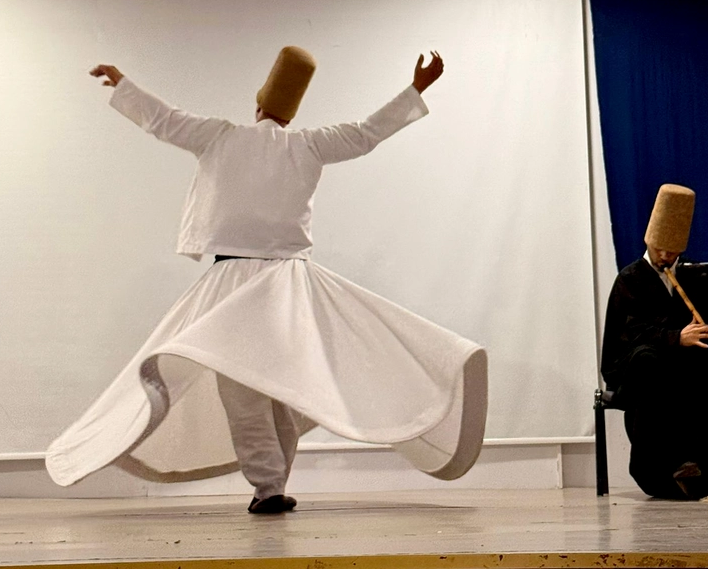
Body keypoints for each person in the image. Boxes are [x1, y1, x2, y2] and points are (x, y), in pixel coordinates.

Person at [46, 47, 488, 514]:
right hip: (288, 286)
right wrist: (416, 89)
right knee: (281, 389)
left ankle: (269, 486)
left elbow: (164, 120)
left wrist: (123, 84)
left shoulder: (221, 136)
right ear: (289, 114)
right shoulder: (308, 144)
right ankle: (272, 483)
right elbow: (365, 134)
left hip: (237, 281)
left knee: (243, 393)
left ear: (257, 106)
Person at [600, 184, 708, 499]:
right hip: (647, 366)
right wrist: (674, 338)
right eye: (660, 250)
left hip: (690, 366)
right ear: (649, 241)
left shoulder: (695, 275)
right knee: (648, 360)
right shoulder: (630, 280)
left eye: (672, 252)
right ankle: (661, 469)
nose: (665, 257)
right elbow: (627, 335)